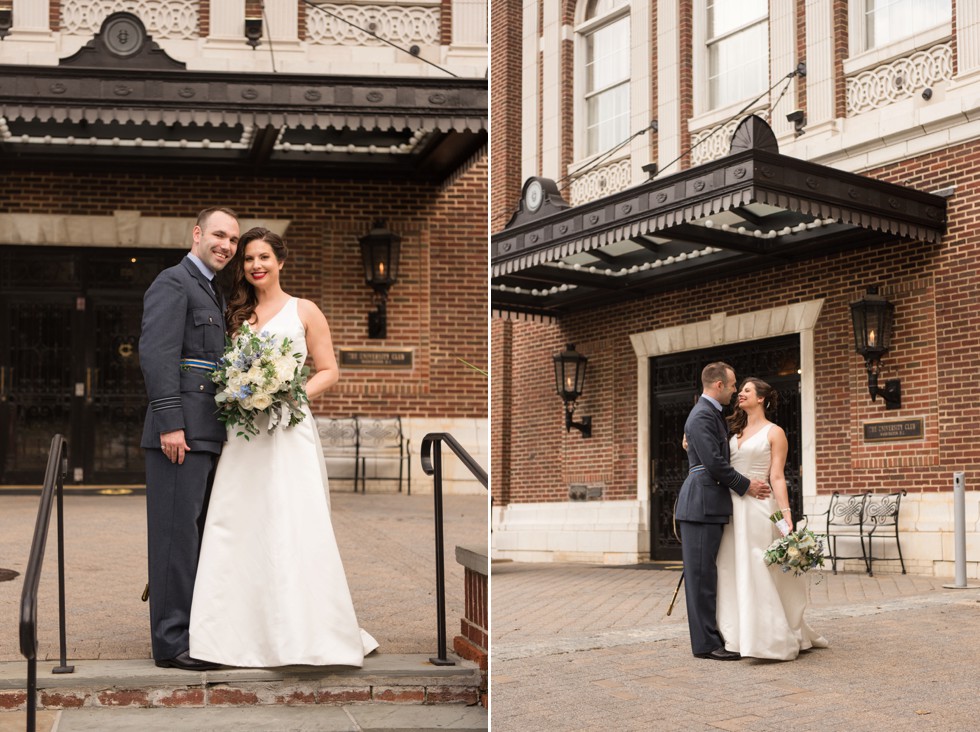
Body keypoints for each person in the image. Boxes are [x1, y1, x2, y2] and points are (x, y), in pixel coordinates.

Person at [189, 227, 378, 667]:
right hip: (245, 436)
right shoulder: (236, 314)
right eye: (249, 259)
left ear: (280, 262)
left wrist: (288, 393)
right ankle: (229, 636)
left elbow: (329, 370)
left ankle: (307, 631)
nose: (255, 265)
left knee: (295, 520)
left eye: (264, 258)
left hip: (289, 430)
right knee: (238, 522)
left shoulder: (305, 310)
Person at [139, 206, 241, 670]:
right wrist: (170, 423)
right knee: (173, 541)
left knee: (192, 539)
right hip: (180, 435)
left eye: (233, 240)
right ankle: (171, 644)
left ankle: (187, 630)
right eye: (218, 235)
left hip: (204, 433)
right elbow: (156, 353)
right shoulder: (173, 281)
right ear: (197, 233)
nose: (226, 245)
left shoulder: (210, 290)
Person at [716, 377, 828, 660]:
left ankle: (768, 636)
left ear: (762, 398)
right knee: (731, 566)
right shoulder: (733, 429)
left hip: (758, 506)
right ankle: (738, 634)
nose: (740, 394)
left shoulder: (774, 432)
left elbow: (777, 476)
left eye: (747, 391)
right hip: (731, 507)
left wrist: (786, 515)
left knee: (757, 565)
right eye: (740, 390)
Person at [674, 362, 770, 661]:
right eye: (731, 385)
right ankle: (705, 644)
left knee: (707, 576)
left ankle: (712, 636)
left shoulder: (709, 414)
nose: (734, 390)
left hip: (710, 504)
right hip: (700, 505)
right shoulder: (702, 415)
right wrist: (747, 486)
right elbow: (715, 464)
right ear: (718, 386)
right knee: (701, 578)